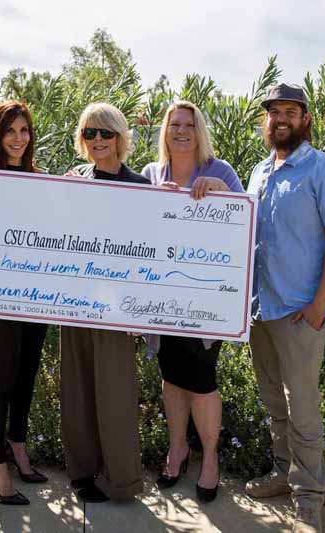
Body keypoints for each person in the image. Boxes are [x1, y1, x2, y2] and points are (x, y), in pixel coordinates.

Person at [244, 83, 325, 533]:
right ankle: (282, 472)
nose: (282, 118)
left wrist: (318, 304)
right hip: (261, 310)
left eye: (291, 110)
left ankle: (309, 494)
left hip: (300, 313)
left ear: (306, 117)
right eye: (274, 112)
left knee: (303, 407)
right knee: (274, 400)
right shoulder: (259, 171)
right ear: (266, 120)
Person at [141, 100, 242, 502]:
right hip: (162, 297)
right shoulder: (151, 174)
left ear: (200, 131)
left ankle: (211, 457)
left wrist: (219, 193)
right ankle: (178, 447)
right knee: (171, 377)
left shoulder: (220, 171)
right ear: (165, 131)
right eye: (174, 124)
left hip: (206, 299)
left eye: (189, 124)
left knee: (201, 381)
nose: (181, 130)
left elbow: (245, 223)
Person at [61, 102, 149, 503]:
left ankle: (123, 480)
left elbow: (153, 249)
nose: (97, 140)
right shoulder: (74, 180)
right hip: (76, 301)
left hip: (118, 307)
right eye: (89, 133)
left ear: (120, 137)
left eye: (105, 133)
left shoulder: (139, 186)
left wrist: (144, 308)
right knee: (77, 388)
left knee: (115, 394)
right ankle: (82, 472)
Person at [0, 101, 50, 506]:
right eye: (10, 131)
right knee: (4, 377)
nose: (18, 139)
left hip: (37, 295)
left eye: (24, 130)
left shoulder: (40, 179)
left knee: (26, 376)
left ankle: (18, 447)